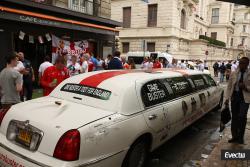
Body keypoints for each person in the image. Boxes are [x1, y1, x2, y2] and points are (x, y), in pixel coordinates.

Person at [225, 57, 250, 144]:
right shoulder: (234, 73)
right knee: (234, 117)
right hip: (234, 97)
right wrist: (227, 98)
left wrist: (245, 87)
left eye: (243, 63)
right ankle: (234, 136)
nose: (241, 65)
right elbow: (229, 87)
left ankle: (240, 137)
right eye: (240, 63)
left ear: (247, 64)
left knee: (242, 117)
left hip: (245, 99)